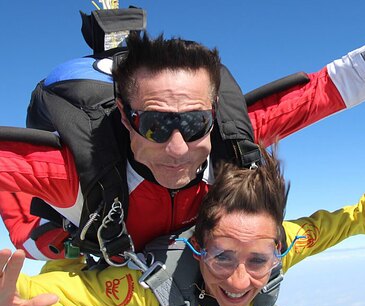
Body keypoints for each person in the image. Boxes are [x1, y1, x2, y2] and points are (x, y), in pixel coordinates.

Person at [1, 32, 365, 262]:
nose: (178, 149)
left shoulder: (231, 140)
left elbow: (330, 88)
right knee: (36, 244)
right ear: (127, 120)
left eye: (193, 125)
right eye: (155, 127)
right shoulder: (72, 172)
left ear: (212, 114)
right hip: (90, 220)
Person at [1, 146, 364, 306]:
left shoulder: (282, 245)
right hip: (146, 300)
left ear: (276, 251)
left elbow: (346, 222)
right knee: (53, 241)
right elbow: (48, 295)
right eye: (222, 257)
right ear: (197, 246)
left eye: (258, 261)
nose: (239, 282)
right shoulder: (141, 293)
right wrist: (16, 303)